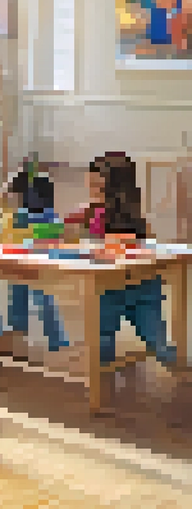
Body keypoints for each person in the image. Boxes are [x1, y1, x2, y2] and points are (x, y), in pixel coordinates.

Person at [68, 153, 177, 368]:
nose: (92, 193)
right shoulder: (119, 213)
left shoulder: (104, 216)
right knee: (154, 341)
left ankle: (103, 374)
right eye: (90, 187)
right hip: (133, 285)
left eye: (97, 188)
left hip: (119, 286)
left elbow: (103, 248)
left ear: (114, 190)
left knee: (107, 340)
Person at [0, 162, 69, 357]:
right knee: (29, 300)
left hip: (33, 262)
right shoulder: (43, 215)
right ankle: (49, 340)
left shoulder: (24, 216)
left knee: (31, 301)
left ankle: (34, 338)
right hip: (28, 260)